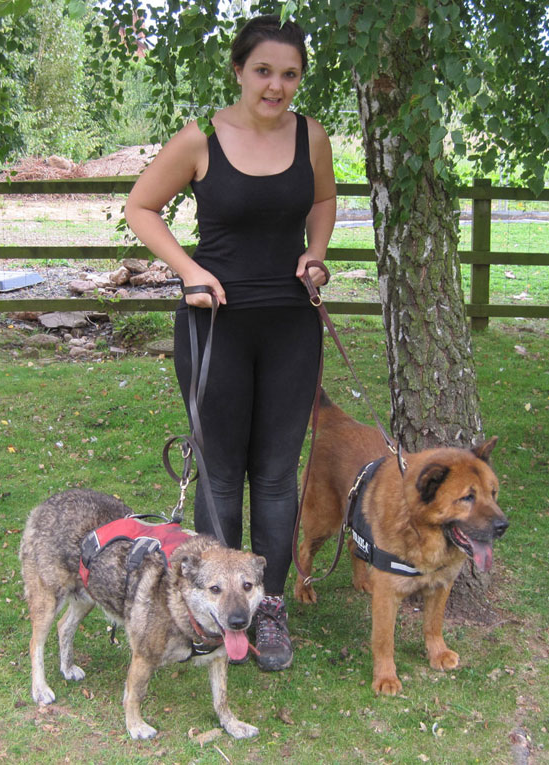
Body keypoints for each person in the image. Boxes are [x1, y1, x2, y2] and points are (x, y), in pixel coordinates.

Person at [125, 14, 336, 671]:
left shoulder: (313, 136)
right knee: (219, 473)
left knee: (275, 474)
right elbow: (140, 206)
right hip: (214, 322)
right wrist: (188, 270)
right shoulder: (199, 138)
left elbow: (324, 200)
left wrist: (318, 253)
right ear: (240, 72)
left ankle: (266, 612)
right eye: (264, 71)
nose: (276, 86)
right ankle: (210, 613)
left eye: (290, 74)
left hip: (290, 324)